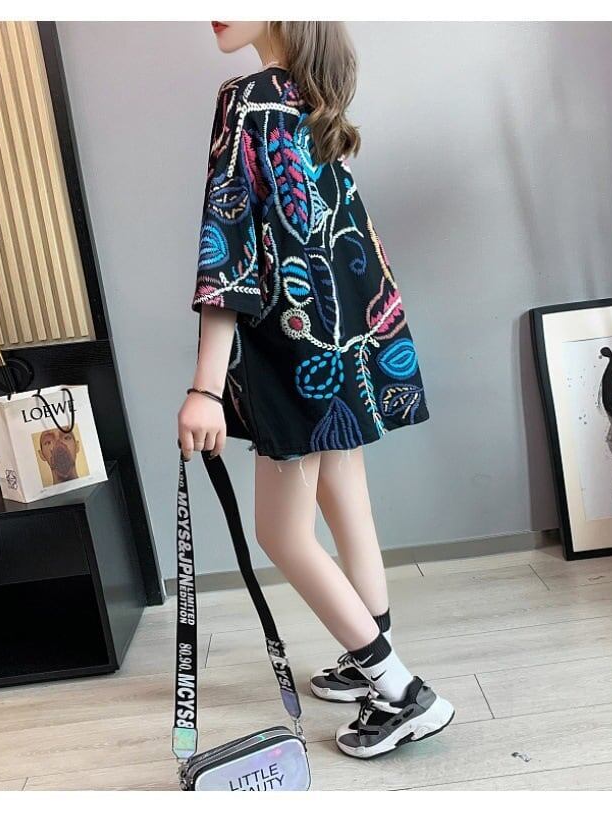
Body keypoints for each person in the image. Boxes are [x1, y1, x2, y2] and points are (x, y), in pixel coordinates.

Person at [179, 20, 455, 759]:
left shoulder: (247, 98)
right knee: (345, 496)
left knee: (281, 533)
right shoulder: (313, 96)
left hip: (291, 350)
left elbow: (228, 245)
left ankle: (400, 690)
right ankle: (371, 651)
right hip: (346, 338)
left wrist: (206, 389)